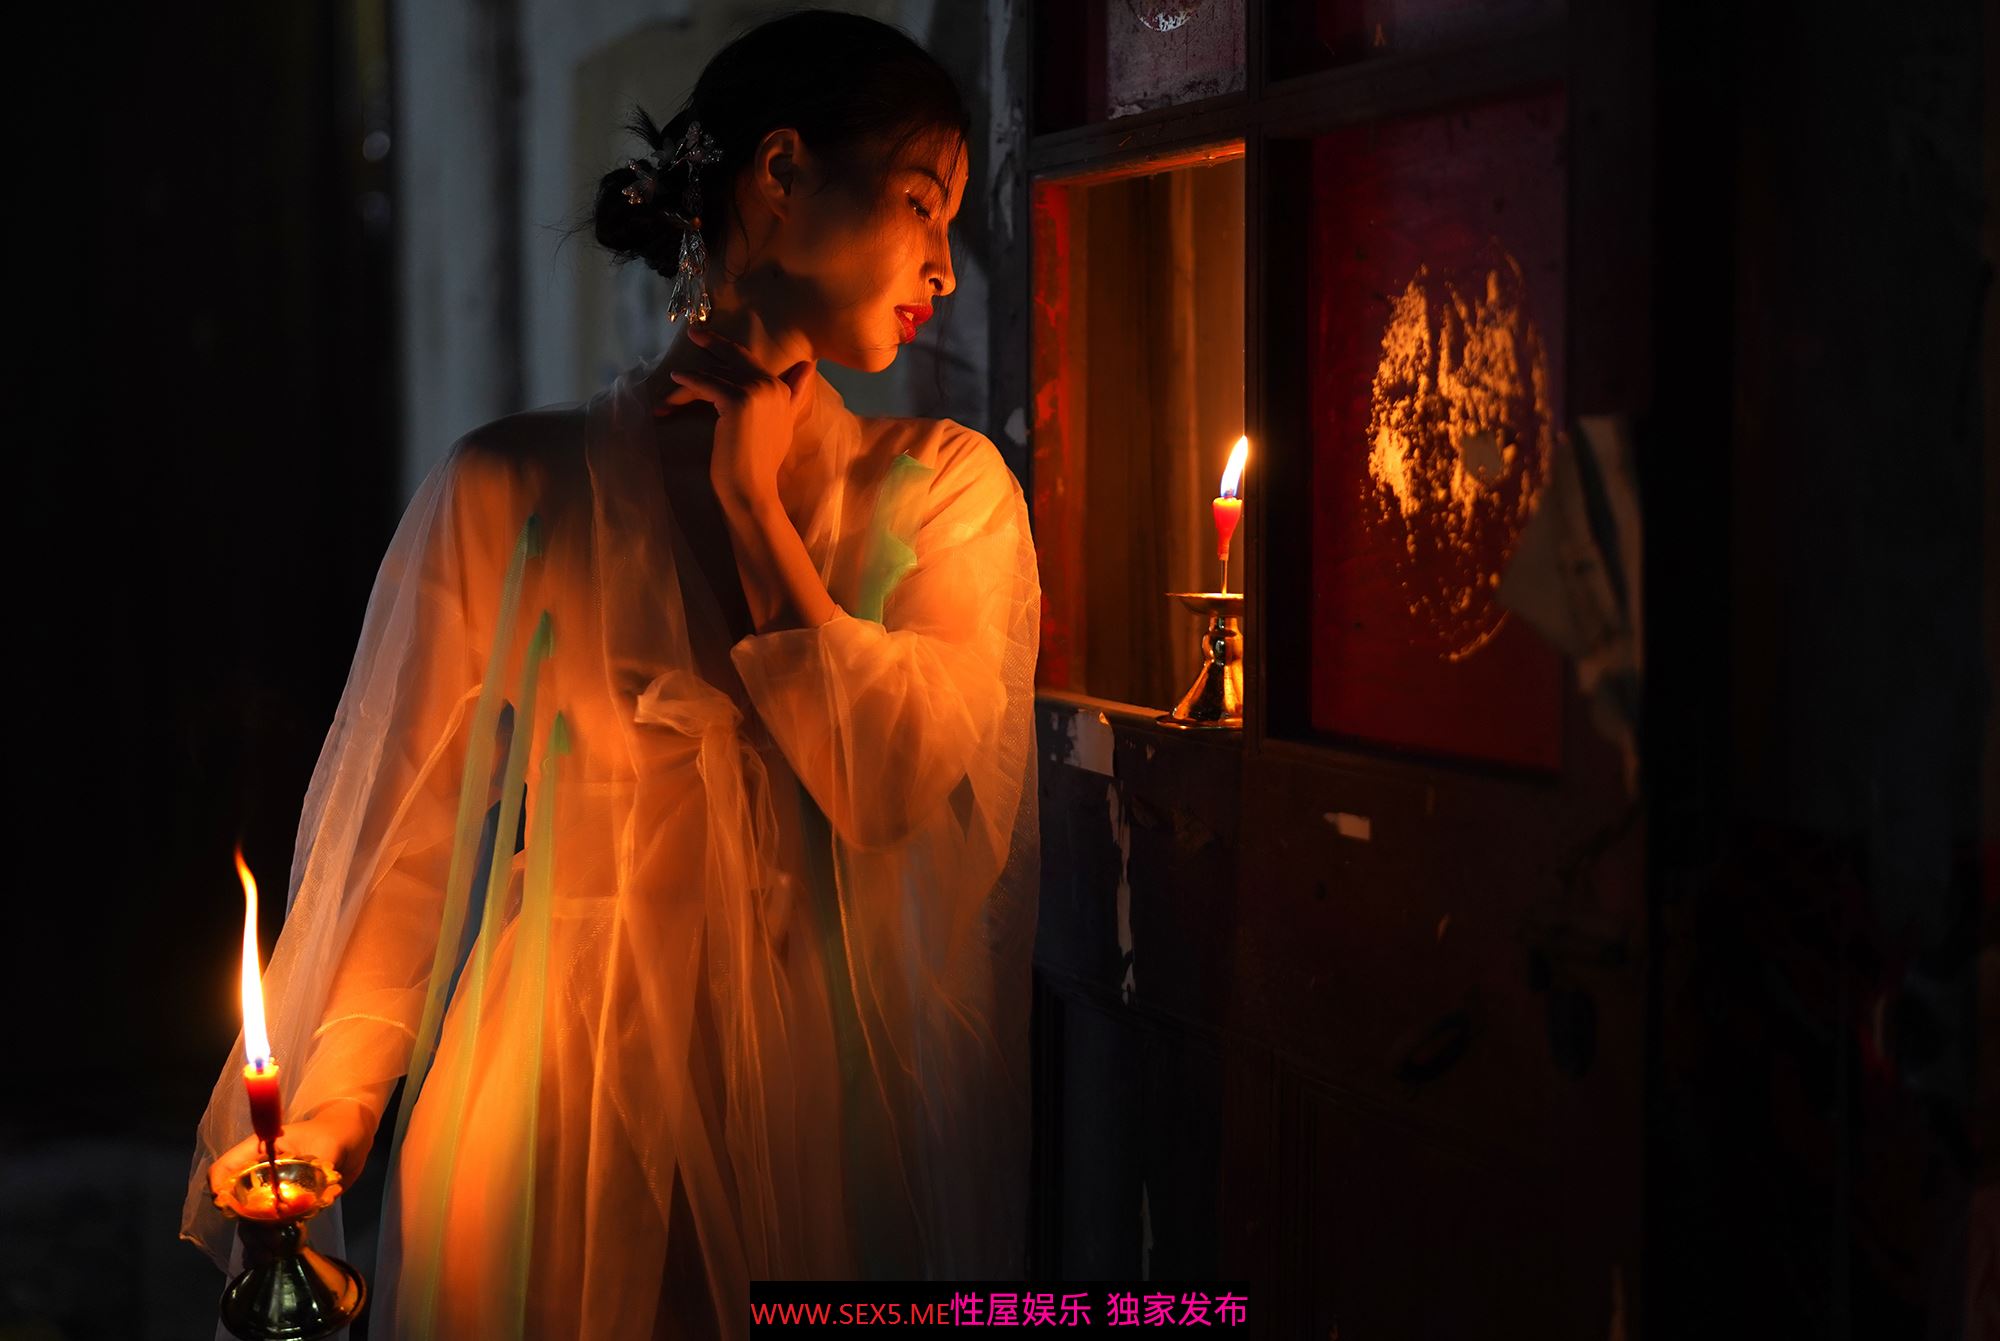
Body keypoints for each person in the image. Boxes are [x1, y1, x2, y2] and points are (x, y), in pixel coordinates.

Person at [180, 12, 1041, 1340]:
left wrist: (754, 513)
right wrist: (335, 1113)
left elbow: (889, 788)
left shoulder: (942, 495)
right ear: (781, 171)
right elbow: (403, 855)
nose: (945, 258)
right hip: (554, 1112)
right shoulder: (511, 487)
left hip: (820, 1110)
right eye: (923, 201)